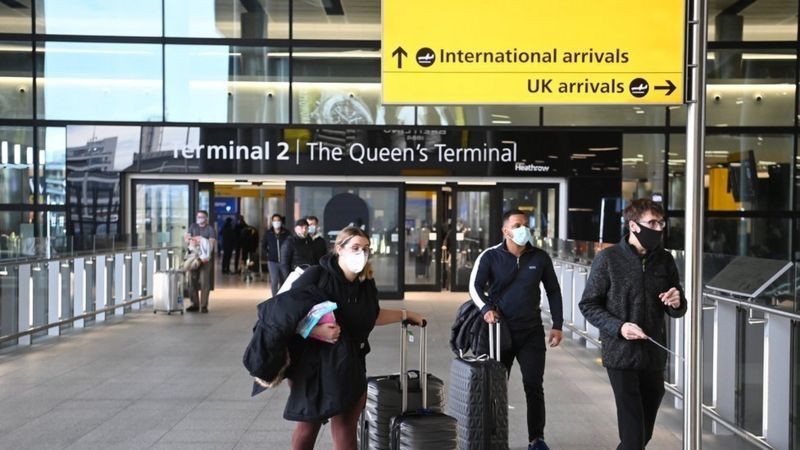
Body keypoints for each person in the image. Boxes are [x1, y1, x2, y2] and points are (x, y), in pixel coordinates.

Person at [286, 226, 426, 450]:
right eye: (355, 247)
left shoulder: (366, 283)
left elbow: (373, 315)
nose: (362, 253)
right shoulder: (317, 276)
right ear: (339, 249)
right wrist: (315, 331)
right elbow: (283, 315)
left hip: (350, 363)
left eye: (366, 249)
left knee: (346, 430)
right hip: (313, 366)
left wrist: (406, 314)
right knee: (308, 428)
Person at [579, 199, 687, 450]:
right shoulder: (608, 259)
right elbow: (588, 305)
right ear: (633, 226)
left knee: (642, 435)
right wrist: (619, 327)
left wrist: (677, 302)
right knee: (633, 436)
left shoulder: (665, 260)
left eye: (661, 223)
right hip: (621, 356)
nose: (658, 229)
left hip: (653, 355)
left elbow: (677, 306)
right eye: (652, 223)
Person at [469, 209, 563, 450]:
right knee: (496, 387)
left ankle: (536, 439)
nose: (524, 229)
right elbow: (475, 287)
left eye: (526, 224)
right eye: (517, 225)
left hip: (531, 331)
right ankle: (494, 439)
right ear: (505, 231)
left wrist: (557, 325)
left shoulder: (539, 257)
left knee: (534, 385)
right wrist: (486, 309)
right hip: (499, 332)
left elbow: (553, 290)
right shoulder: (490, 256)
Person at [184, 210, 216, 313]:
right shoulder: (193, 226)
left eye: (202, 217)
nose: (200, 219)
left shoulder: (210, 229)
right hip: (193, 257)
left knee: (204, 282)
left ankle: (204, 305)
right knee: (192, 281)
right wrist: (198, 240)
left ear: (206, 218)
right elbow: (187, 239)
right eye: (198, 217)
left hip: (205, 260)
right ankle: (194, 304)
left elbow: (211, 243)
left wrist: (198, 240)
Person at [263, 214, 290, 296]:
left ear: (281, 222)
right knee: (274, 281)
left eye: (278, 220)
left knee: (285, 280)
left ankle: (282, 297)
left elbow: (291, 245)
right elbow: (263, 245)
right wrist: (268, 254)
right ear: (272, 222)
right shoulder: (268, 233)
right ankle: (274, 298)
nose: (276, 222)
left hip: (284, 261)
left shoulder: (287, 233)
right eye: (274, 220)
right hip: (272, 261)